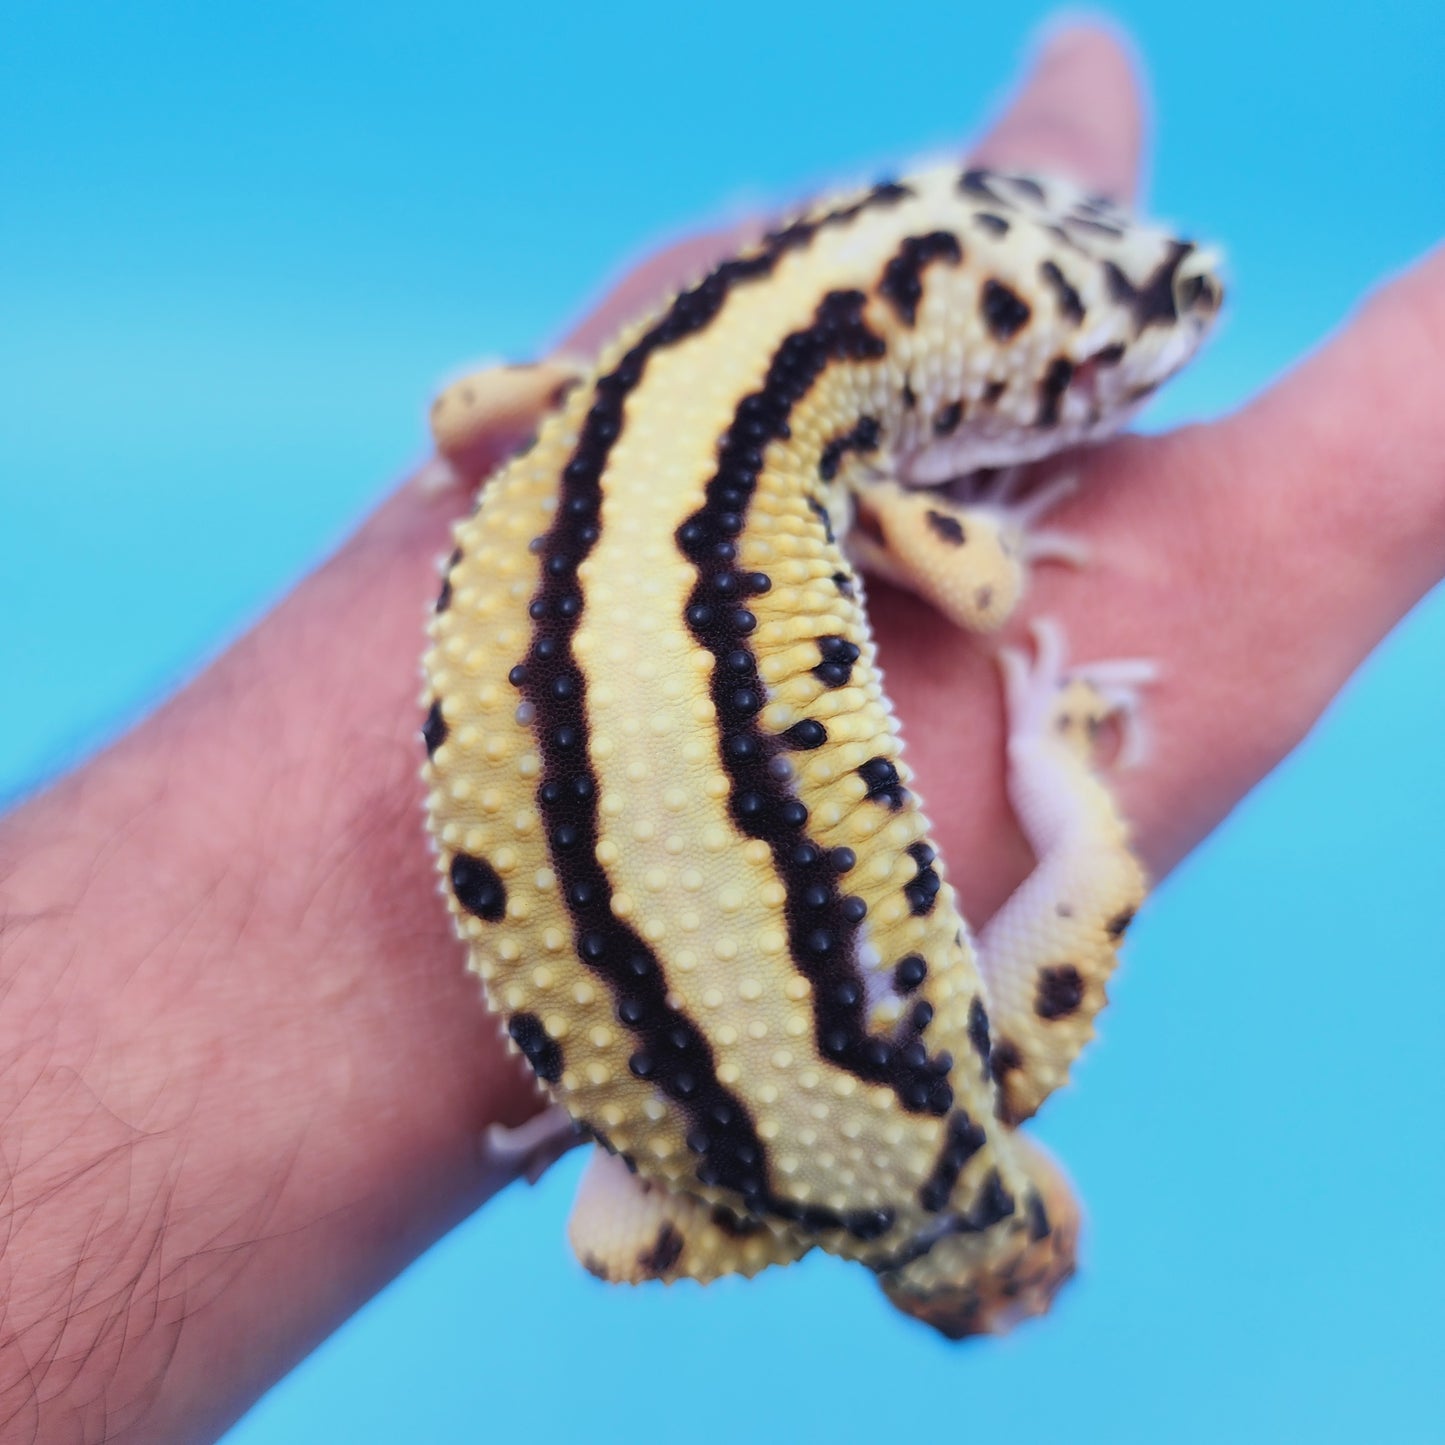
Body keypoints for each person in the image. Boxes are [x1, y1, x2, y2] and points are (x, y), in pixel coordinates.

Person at [1, 22, 1441, 1443]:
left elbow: (457, 413)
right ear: (994, 405)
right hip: (733, 1138)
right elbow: (984, 584)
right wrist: (618, 1089)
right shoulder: (765, 1173)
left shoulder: (580, 388)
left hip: (785, 1000)